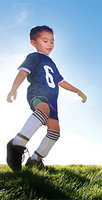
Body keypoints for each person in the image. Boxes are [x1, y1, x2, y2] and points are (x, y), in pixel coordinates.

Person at [6, 25, 87, 171]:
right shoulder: (34, 57)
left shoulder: (52, 63)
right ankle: (16, 145)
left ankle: (35, 159)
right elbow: (23, 72)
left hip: (52, 100)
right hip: (38, 92)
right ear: (34, 43)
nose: (50, 44)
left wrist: (77, 91)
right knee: (42, 109)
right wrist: (13, 89)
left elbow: (61, 82)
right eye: (45, 41)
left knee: (55, 130)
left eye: (52, 41)